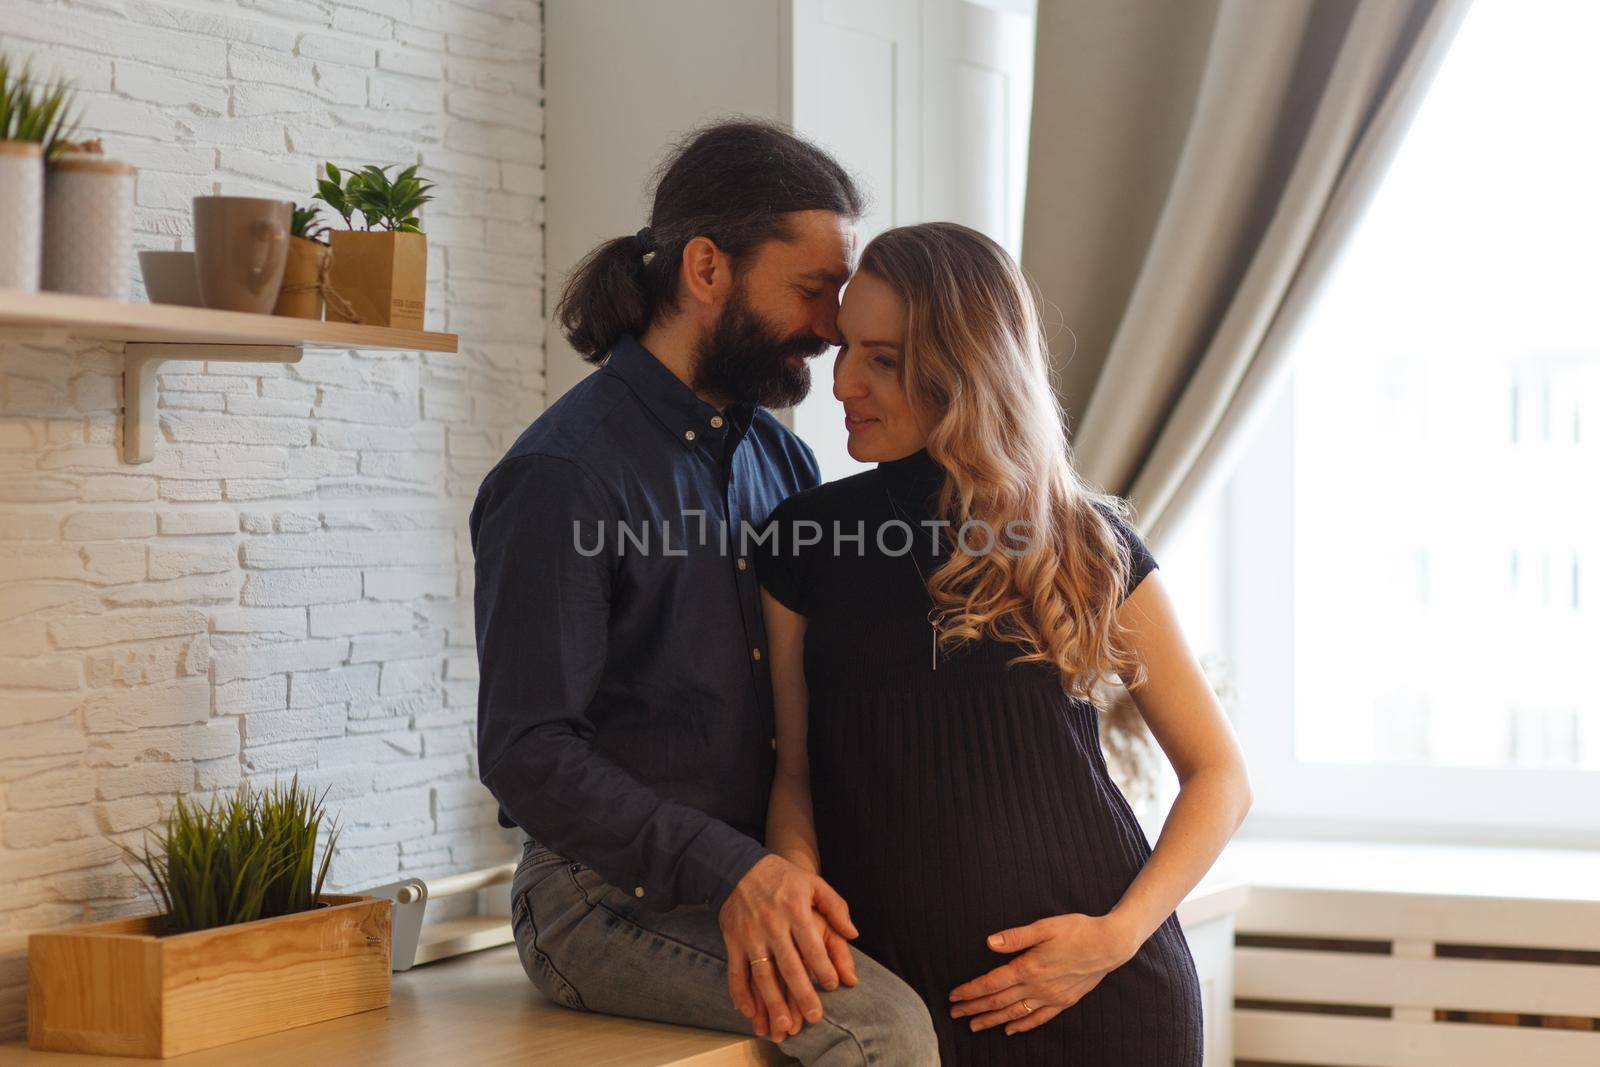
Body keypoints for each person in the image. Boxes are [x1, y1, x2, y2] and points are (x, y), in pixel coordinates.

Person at [470, 120, 939, 1064]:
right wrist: (736, 872)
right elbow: (525, 751)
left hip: (759, 870)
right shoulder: (565, 474)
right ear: (706, 269)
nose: (828, 328)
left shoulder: (783, 459)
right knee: (882, 1032)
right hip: (596, 900)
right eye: (811, 290)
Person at [753, 222, 1253, 1064]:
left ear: (965, 367)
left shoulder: (1081, 540)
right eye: (845, 349)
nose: (842, 382)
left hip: (1106, 1001)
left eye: (883, 358)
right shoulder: (805, 540)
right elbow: (795, 775)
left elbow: (1221, 775)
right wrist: (796, 886)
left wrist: (1115, 937)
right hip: (904, 1010)